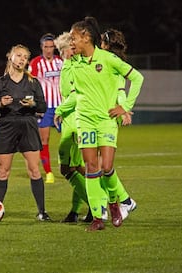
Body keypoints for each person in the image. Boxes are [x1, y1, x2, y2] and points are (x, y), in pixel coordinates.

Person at [69, 16, 144, 231]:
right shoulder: (74, 61)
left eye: (75, 37)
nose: (72, 42)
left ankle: (114, 204)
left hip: (106, 120)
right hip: (85, 121)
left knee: (107, 167)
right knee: (91, 168)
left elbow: (137, 78)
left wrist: (126, 106)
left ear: (86, 37)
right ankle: (97, 218)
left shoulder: (108, 59)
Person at [0, 44, 51, 221]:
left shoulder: (33, 82)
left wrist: (33, 105)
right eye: (19, 55)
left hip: (28, 125)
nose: (22, 59)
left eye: (25, 57)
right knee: (3, 171)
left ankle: (42, 212)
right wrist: (0, 104)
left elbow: (43, 107)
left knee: (34, 170)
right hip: (7, 126)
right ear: (10, 57)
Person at [52, 32, 91, 223]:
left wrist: (58, 110)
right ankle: (75, 212)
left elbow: (76, 96)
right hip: (77, 121)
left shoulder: (71, 68)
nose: (62, 53)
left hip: (74, 123)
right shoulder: (73, 66)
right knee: (80, 169)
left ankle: (97, 205)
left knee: (66, 169)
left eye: (63, 49)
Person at [100, 28, 137, 220]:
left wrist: (124, 108)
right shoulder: (98, 61)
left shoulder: (114, 63)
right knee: (95, 167)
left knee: (102, 167)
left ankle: (119, 203)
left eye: (102, 42)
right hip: (94, 116)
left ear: (106, 44)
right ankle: (119, 203)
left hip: (107, 117)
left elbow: (121, 87)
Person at [28, 33, 63, 184]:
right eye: (46, 47)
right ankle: (48, 172)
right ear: (41, 47)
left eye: (51, 47)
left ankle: (69, 164)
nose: (49, 50)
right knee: (44, 139)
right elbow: (29, 83)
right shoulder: (36, 63)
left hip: (61, 106)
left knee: (70, 137)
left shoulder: (61, 62)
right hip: (45, 107)